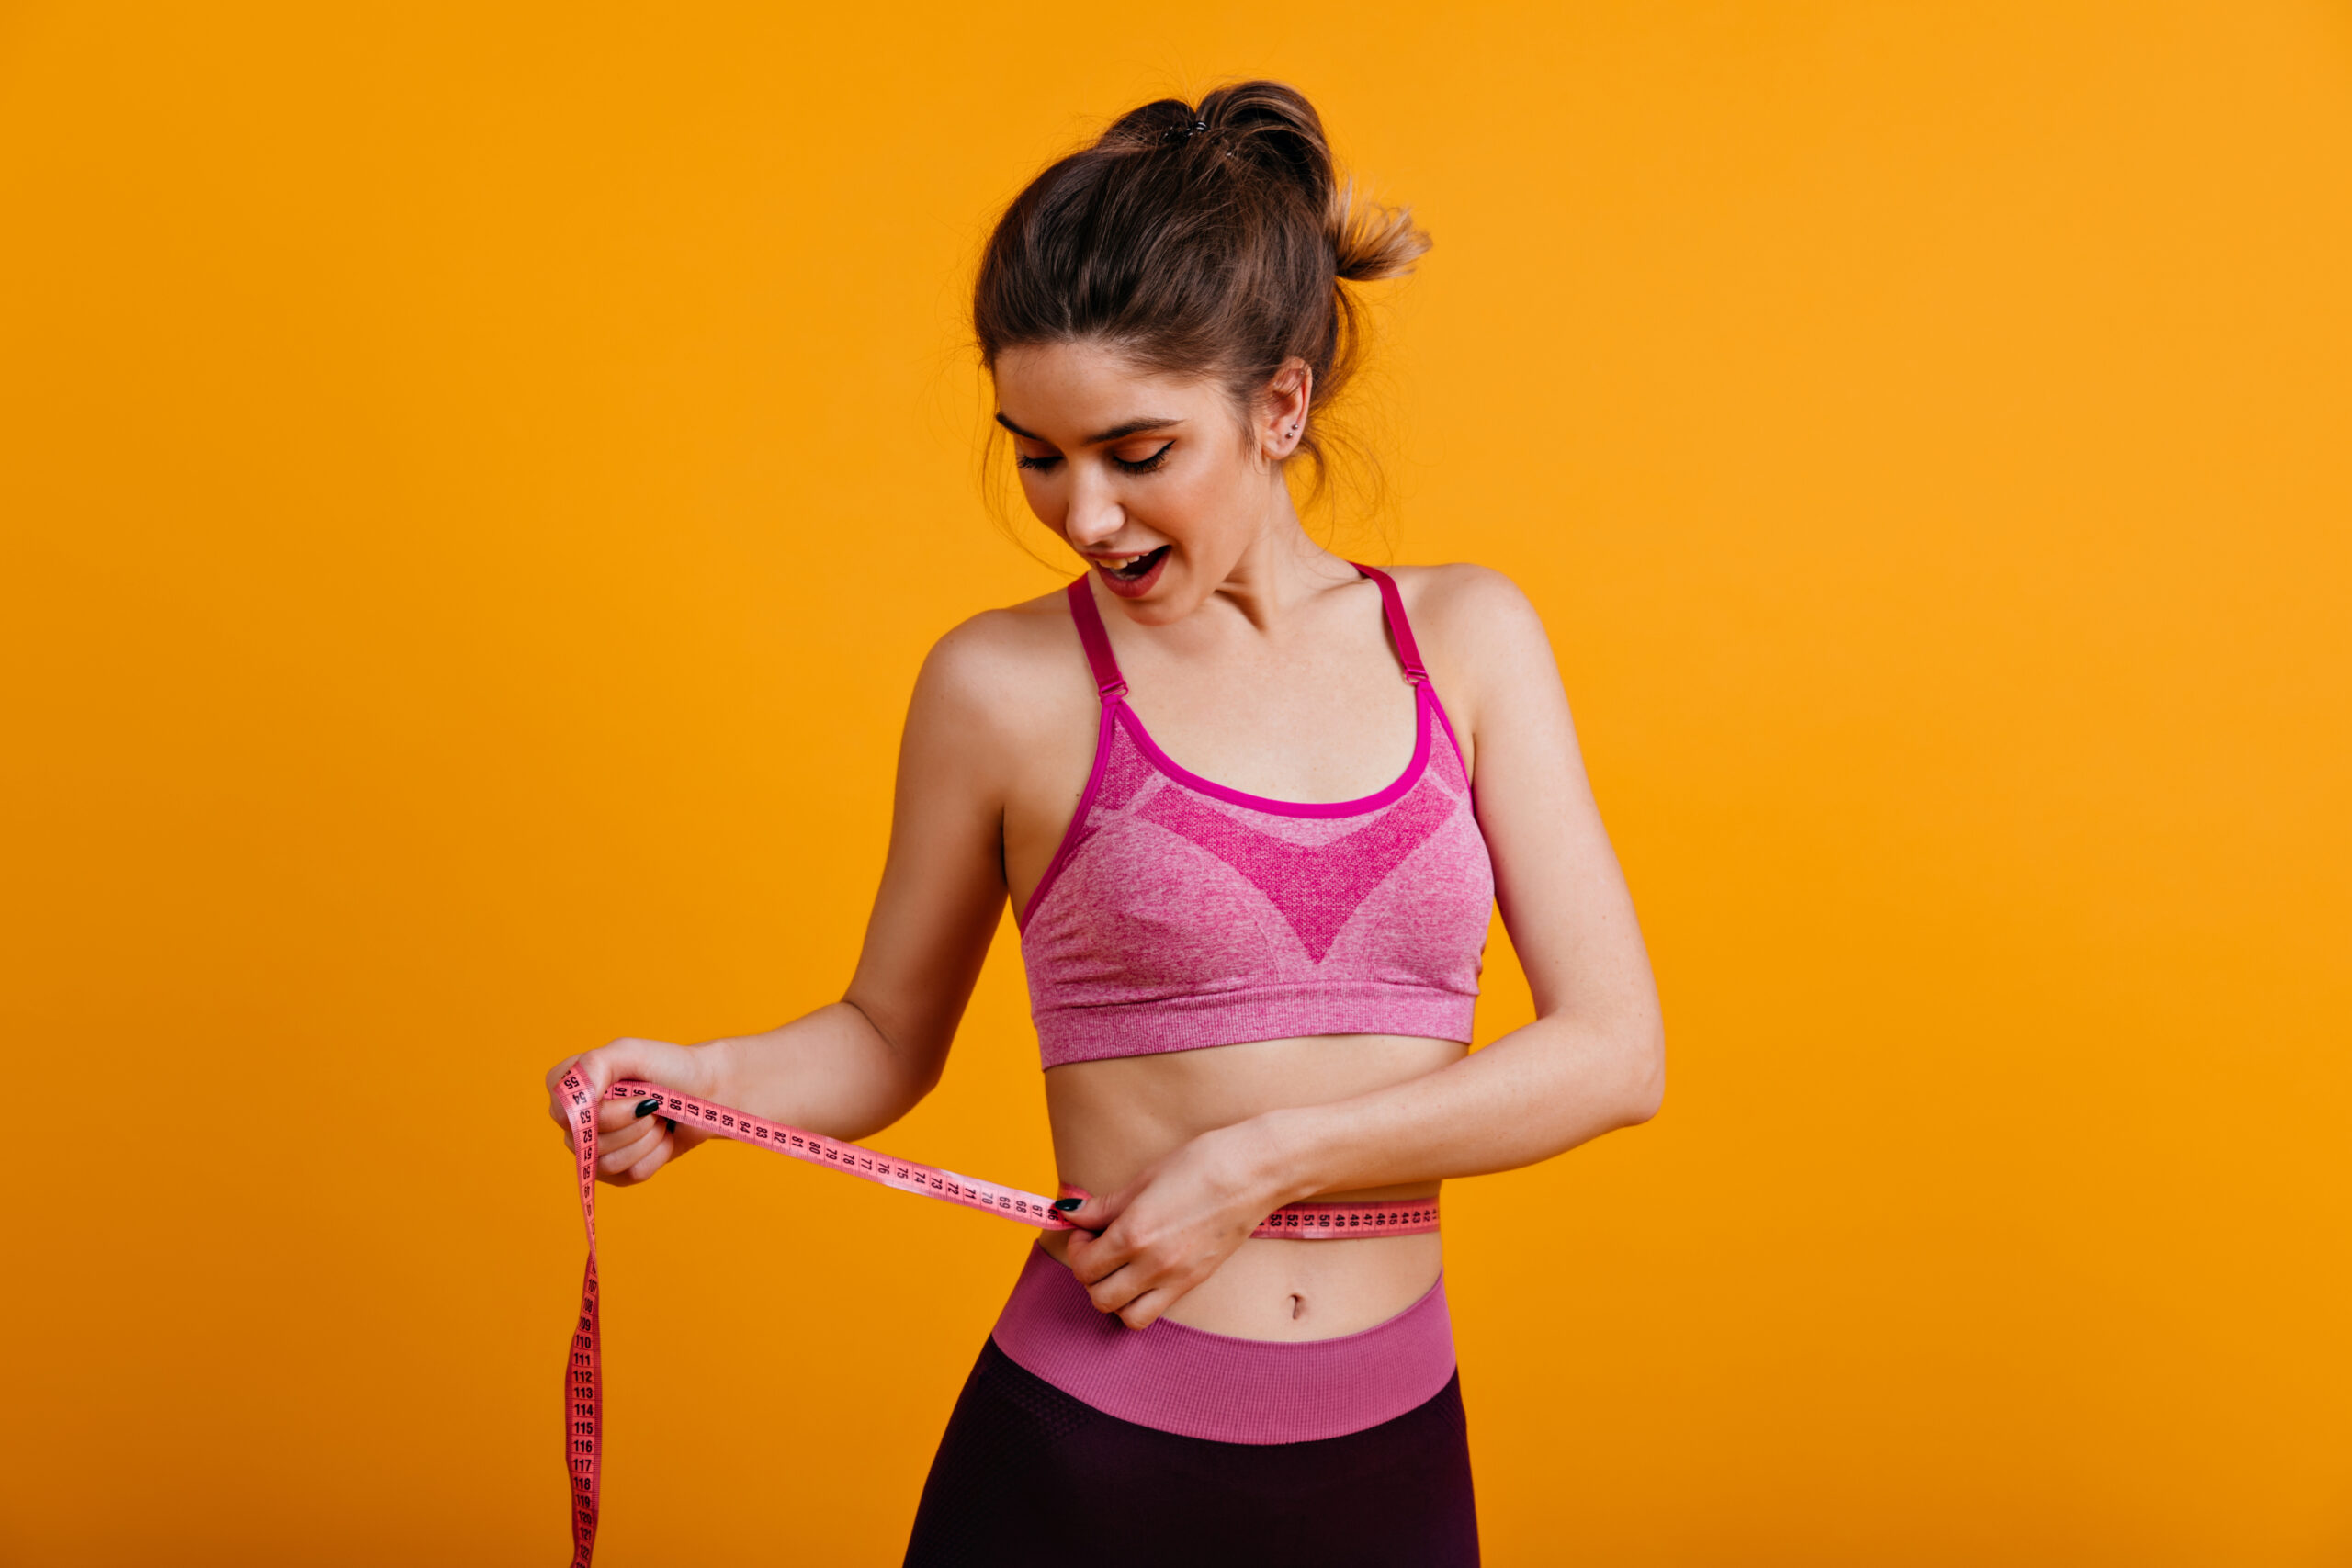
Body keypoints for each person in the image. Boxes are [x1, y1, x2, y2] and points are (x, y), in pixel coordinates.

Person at [544, 79, 1662, 1567]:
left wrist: (1266, 1165)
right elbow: (886, 1036)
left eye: (1137, 454)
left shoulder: (1466, 640)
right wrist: (704, 1082)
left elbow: (1614, 1053)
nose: (1082, 517)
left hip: (1394, 1469)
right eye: (1037, 454)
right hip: (1088, 1472)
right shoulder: (1003, 687)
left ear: (1280, 406)